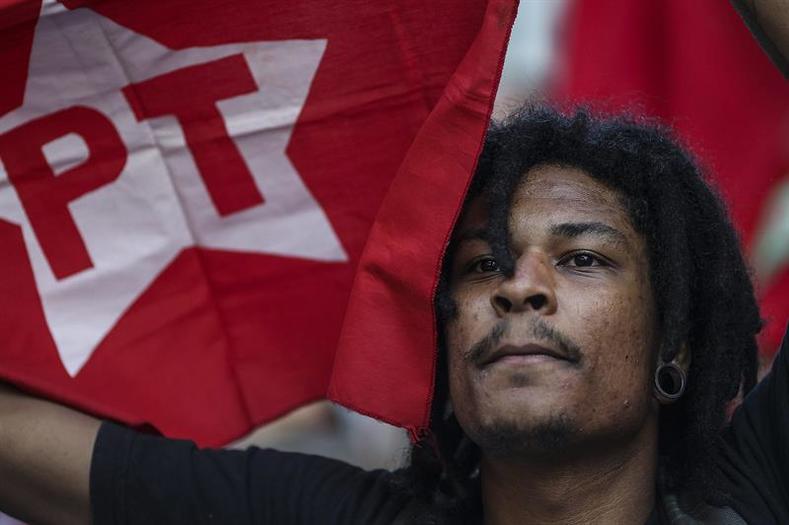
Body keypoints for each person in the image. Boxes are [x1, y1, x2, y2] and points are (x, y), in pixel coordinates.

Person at [0, 104, 787, 525]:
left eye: (580, 257)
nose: (518, 288)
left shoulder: (758, 496)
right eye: (481, 265)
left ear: (673, 339)